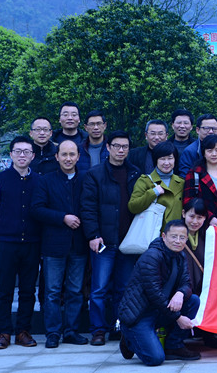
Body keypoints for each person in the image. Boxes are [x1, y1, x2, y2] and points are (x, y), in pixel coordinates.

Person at [81, 130, 142, 346]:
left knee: (123, 288)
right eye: (117, 146)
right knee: (99, 288)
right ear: (108, 147)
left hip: (128, 242)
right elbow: (88, 207)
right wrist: (93, 235)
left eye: (125, 147)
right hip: (103, 241)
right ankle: (98, 330)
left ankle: (118, 327)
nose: (121, 150)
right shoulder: (95, 174)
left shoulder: (135, 173)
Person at [0, 136, 41, 350]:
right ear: (11, 154)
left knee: (28, 290)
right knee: (4, 289)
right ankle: (4, 332)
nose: (22, 155)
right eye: (18, 151)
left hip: (32, 243)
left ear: (33, 155)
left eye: (26, 151)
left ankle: (23, 331)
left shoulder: (40, 181)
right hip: (6, 243)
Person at [31, 140, 89, 348]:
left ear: (78, 157)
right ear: (56, 157)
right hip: (54, 245)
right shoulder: (45, 181)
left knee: (75, 291)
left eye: (72, 154)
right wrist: (62, 217)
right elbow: (37, 209)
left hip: (79, 244)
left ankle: (71, 331)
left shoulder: (85, 179)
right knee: (53, 291)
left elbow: (90, 206)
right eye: (64, 154)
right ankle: (53, 333)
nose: (68, 158)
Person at [118, 220, 201, 365]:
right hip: (140, 314)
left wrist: (180, 293)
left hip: (160, 310)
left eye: (182, 237)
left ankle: (174, 346)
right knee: (155, 359)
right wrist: (178, 317)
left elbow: (187, 283)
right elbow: (154, 294)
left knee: (193, 300)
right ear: (164, 236)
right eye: (173, 236)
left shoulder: (180, 256)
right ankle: (129, 338)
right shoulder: (152, 256)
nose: (177, 241)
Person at [180, 198, 217, 350]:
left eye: (200, 217)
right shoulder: (176, 233)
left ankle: (207, 334)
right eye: (191, 216)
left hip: (201, 283)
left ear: (205, 218)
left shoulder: (208, 234)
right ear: (183, 214)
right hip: (181, 286)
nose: (195, 221)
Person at [129, 141, 185, 229]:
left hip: (175, 234)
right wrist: (153, 193)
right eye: (162, 159)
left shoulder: (181, 183)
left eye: (170, 158)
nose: (166, 163)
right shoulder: (145, 181)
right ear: (156, 160)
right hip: (152, 233)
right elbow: (133, 207)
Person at [183, 135, 217, 228]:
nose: (214, 154)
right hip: (200, 224)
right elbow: (188, 201)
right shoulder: (194, 174)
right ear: (204, 153)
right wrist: (210, 217)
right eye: (209, 151)